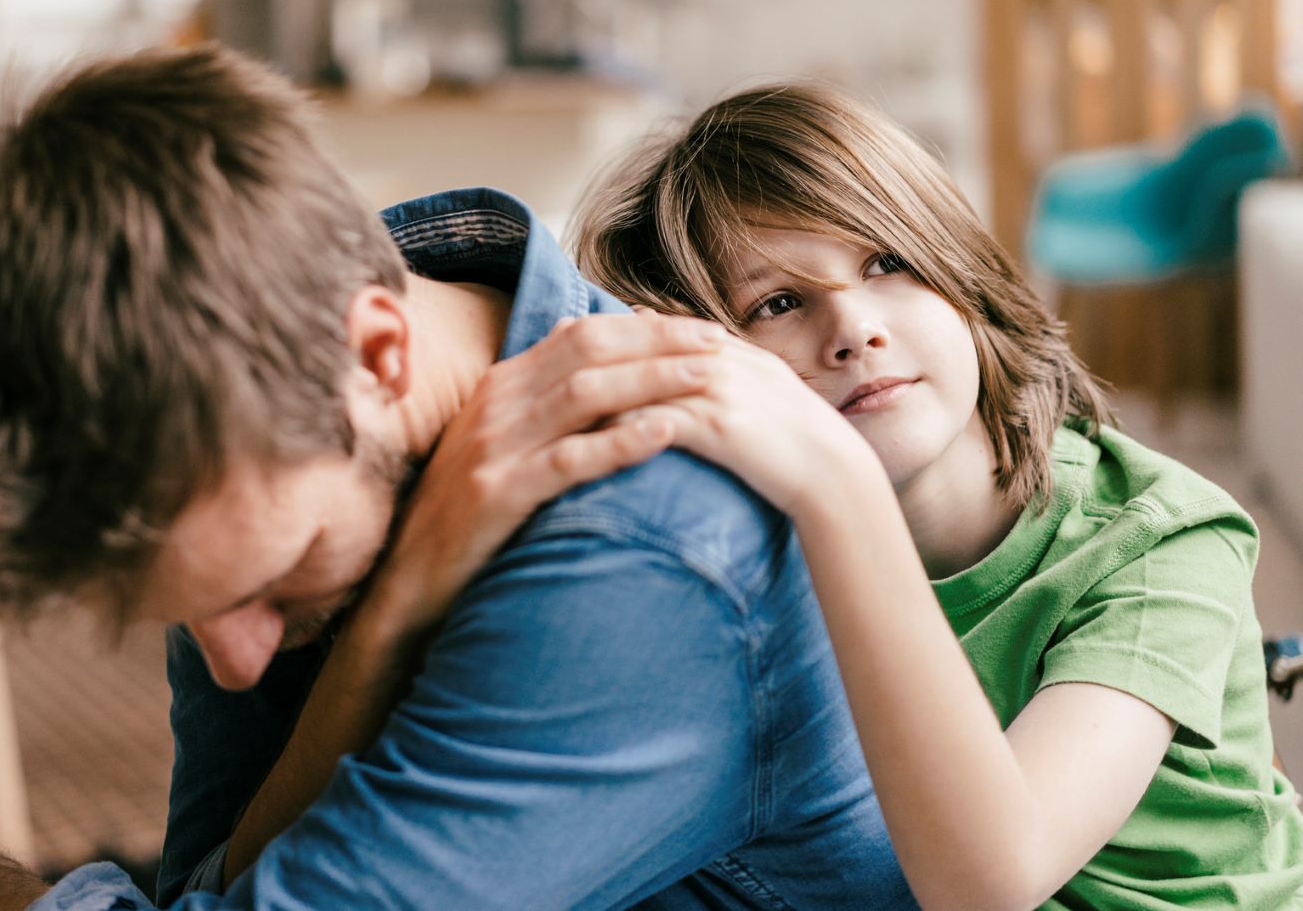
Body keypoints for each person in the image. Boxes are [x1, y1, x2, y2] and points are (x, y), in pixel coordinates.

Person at [0, 47, 916, 911]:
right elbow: (216, 879)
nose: (237, 658)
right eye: (192, 612)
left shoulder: (648, 541)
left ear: (379, 353)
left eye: (276, 576)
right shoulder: (229, 451)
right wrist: (393, 606)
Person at [542, 84, 1302, 909]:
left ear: (959, 274)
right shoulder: (754, 545)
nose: (854, 328)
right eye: (779, 303)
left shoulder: (1157, 540)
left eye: (885, 262)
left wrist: (833, 489)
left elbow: (992, 880)